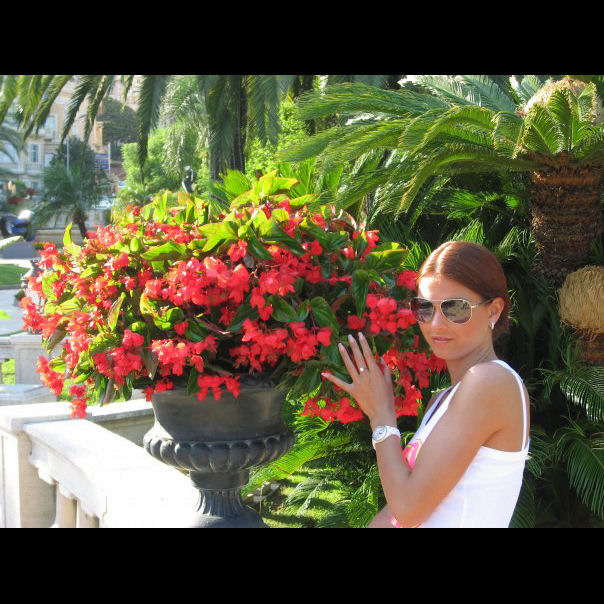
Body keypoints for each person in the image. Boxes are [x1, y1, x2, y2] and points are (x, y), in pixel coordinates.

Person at [322, 240, 531, 528]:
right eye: (424, 308)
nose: (435, 324)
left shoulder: (490, 381)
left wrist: (381, 416)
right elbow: (394, 514)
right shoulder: (441, 400)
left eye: (454, 309)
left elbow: (408, 509)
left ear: (493, 311)